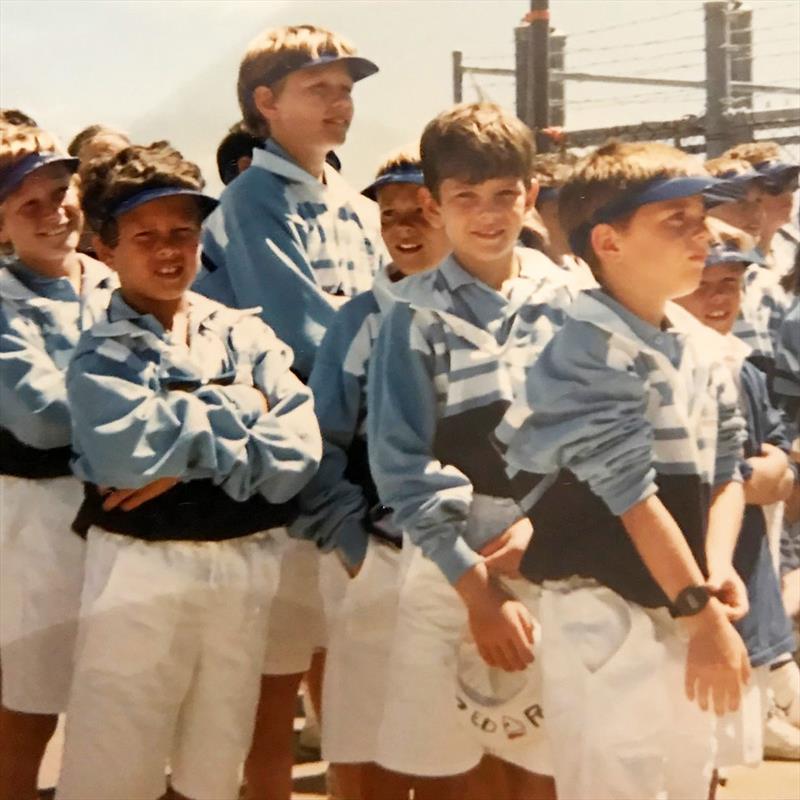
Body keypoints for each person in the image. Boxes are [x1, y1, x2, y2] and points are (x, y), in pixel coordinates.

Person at [54, 142, 321, 800]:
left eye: (184, 232)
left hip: (240, 566)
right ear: (106, 249)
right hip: (143, 570)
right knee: (115, 764)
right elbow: (126, 455)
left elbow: (299, 453)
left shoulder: (243, 334)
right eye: (145, 237)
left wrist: (186, 447)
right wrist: (244, 414)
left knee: (214, 761)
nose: (170, 251)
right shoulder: (99, 353)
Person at [495, 140, 751, 799]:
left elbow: (729, 471)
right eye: (677, 220)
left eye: (702, 215)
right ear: (608, 241)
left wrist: (714, 572)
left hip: (685, 605)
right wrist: (703, 615)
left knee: (689, 783)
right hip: (605, 617)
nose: (704, 233)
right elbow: (632, 498)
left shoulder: (699, 344)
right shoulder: (582, 345)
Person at [196, 25, 385, 799]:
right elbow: (305, 331)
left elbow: (377, 312)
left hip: (347, 456)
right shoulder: (252, 199)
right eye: (320, 89)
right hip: (281, 465)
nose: (340, 103)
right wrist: (366, 323)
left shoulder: (349, 197)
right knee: (274, 685)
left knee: (349, 673)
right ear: (265, 104)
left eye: (346, 89)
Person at [367, 103, 576, 800]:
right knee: (454, 771)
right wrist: (478, 592)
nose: (487, 216)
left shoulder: (575, 302)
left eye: (503, 196)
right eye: (465, 198)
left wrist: (550, 526)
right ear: (432, 204)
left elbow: (601, 434)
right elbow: (400, 462)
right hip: (450, 567)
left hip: (558, 559)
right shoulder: (411, 315)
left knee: (549, 765)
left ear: (532, 195)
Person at [293, 148, 448, 800]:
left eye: (420, 212)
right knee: (364, 752)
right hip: (377, 555)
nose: (405, 227)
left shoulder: (498, 307)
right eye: (390, 214)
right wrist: (355, 548)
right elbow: (318, 449)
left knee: (453, 750)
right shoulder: (357, 319)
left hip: (469, 558)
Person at [0, 123, 116, 800]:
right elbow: (41, 417)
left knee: (111, 702)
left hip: (121, 513)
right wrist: (146, 420)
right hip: (34, 518)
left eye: (59, 190)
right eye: (26, 204)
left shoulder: (111, 283)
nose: (53, 211)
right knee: (29, 704)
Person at [673, 221, 799, 763]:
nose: (720, 297)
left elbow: (779, 463)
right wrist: (753, 481)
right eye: (706, 282)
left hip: (742, 577)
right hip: (684, 583)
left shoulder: (742, 366)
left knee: (714, 757)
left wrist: (778, 476)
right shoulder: (673, 359)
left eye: (732, 283)